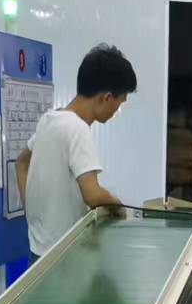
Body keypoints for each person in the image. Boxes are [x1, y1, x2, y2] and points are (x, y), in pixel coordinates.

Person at [16, 43, 135, 256]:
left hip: (39, 252)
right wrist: (119, 206)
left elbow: (21, 164)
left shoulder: (49, 120)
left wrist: (33, 216)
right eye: (120, 104)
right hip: (63, 258)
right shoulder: (77, 128)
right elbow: (92, 195)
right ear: (106, 97)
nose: (116, 111)